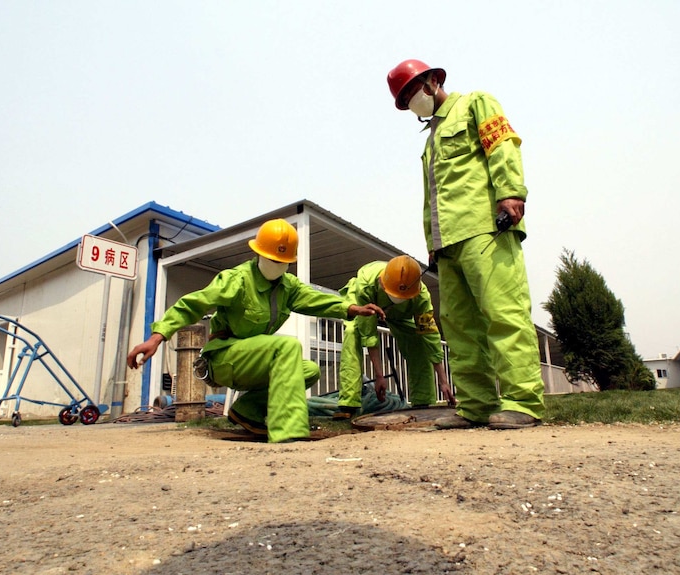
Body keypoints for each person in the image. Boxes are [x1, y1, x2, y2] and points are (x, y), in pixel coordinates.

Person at [386, 59, 545, 429]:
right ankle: (475, 404)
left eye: (413, 90)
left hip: (484, 229)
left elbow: (503, 145)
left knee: (502, 313)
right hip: (447, 244)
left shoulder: (475, 103)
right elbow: (432, 197)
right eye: (404, 97)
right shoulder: (430, 142)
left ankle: (523, 401)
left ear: (431, 82)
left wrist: (510, 192)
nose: (412, 100)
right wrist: (432, 244)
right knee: (458, 326)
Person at [127, 218, 385, 443]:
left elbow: (318, 300)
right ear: (258, 253)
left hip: (254, 357)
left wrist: (353, 308)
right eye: (272, 258)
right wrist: (157, 337)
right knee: (287, 346)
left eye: (282, 261)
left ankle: (247, 410)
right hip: (224, 357)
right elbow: (192, 304)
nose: (276, 264)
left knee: (308, 371)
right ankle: (289, 431)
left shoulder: (288, 286)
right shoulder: (237, 280)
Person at [333, 256, 456, 420]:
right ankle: (348, 404)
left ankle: (423, 402)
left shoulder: (421, 296)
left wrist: (443, 380)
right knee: (352, 333)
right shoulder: (366, 284)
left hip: (401, 315)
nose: (398, 298)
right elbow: (369, 333)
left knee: (418, 342)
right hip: (363, 305)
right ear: (382, 283)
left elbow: (430, 336)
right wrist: (379, 375)